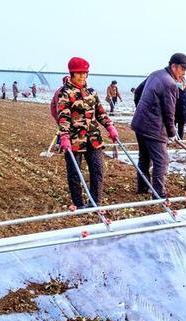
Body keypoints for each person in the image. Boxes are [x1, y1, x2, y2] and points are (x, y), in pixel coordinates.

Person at [57, 57, 119, 209]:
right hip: (74, 140)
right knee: (74, 173)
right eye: (79, 73)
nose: (83, 76)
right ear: (71, 74)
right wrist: (64, 136)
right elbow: (63, 116)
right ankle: (78, 204)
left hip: (93, 138)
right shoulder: (65, 93)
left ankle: (95, 202)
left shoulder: (91, 92)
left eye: (85, 73)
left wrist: (110, 127)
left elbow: (100, 112)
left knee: (97, 170)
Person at [130, 53, 186, 197]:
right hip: (153, 127)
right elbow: (169, 113)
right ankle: (158, 193)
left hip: (140, 123)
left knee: (144, 157)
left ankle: (143, 188)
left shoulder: (155, 74)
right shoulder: (169, 83)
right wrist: (172, 133)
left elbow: (138, 93)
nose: (184, 72)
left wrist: (143, 109)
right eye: (182, 69)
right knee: (162, 161)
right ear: (173, 66)